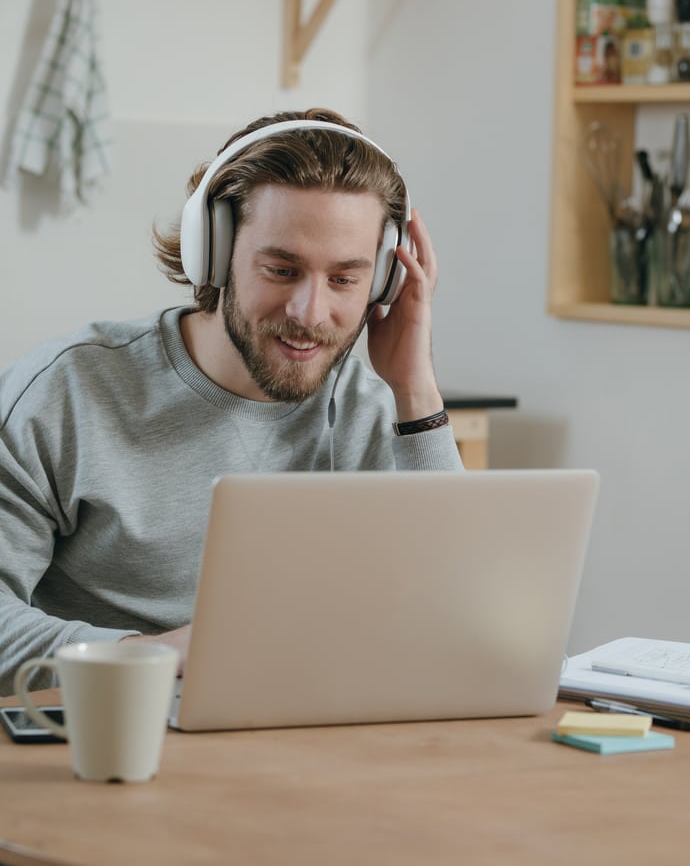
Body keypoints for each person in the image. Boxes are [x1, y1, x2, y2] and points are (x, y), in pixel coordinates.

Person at [0, 108, 462, 693]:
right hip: (115, 737)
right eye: (281, 268)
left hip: (312, 736)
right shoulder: (65, 393)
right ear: (212, 254)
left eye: (345, 279)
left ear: (383, 283)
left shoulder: (376, 410)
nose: (310, 313)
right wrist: (150, 656)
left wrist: (415, 388)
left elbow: (456, 620)